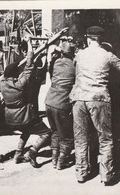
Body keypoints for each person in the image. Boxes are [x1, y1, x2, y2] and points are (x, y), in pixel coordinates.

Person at [69, 26, 120, 185]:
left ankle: (81, 173)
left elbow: (74, 66)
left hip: (79, 99)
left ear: (88, 38)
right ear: (100, 40)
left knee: (81, 138)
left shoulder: (80, 54)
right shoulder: (108, 55)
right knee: (105, 138)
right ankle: (106, 176)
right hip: (99, 99)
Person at [0, 37, 51, 168]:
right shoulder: (20, 84)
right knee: (46, 133)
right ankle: (32, 152)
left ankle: (18, 154)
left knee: (26, 130)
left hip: (11, 119)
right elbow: (29, 66)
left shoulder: (1, 85)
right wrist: (29, 45)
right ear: (16, 74)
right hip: (24, 116)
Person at [45, 42, 76, 170]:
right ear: (73, 53)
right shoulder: (74, 65)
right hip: (62, 103)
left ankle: (54, 159)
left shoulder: (56, 62)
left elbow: (51, 71)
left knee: (55, 132)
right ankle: (61, 161)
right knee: (67, 135)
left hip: (49, 101)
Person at [101, 42, 120, 174]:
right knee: (116, 132)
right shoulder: (115, 67)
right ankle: (116, 160)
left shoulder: (97, 67)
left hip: (103, 103)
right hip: (114, 103)